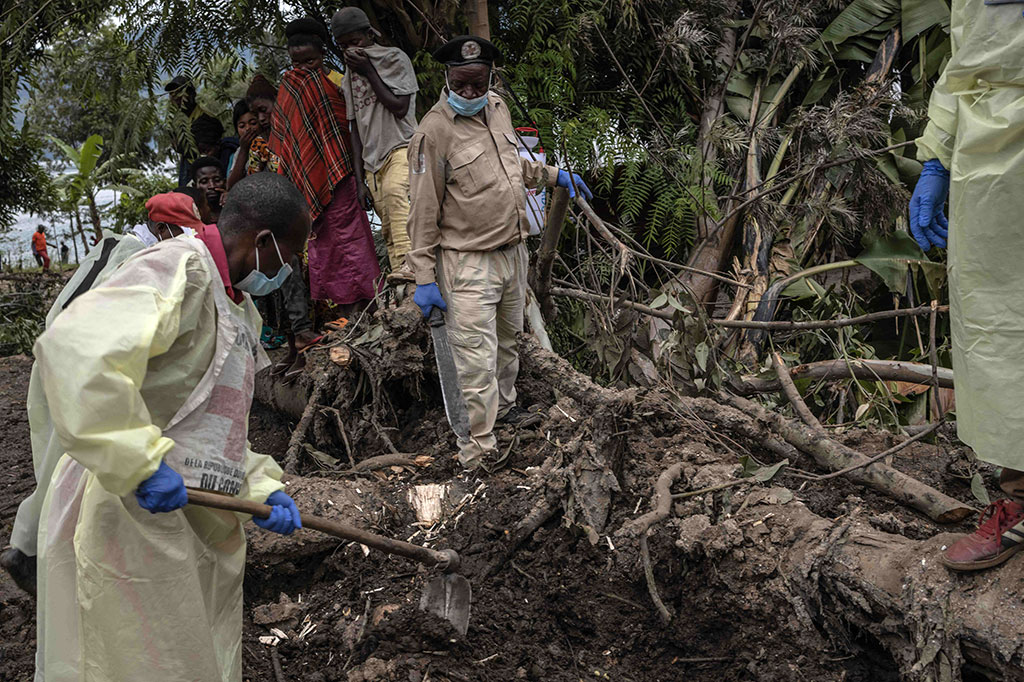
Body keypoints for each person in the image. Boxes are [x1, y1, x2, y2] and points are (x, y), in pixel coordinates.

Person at [29, 174, 310, 680]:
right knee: (130, 660)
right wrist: (139, 463)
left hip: (193, 516)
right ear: (264, 240)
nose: (287, 270)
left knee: (188, 657)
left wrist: (259, 485)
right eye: (289, 256)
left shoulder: (237, 308)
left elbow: (214, 423)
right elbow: (77, 350)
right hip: (128, 510)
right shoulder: (175, 269)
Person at [0, 192, 203, 596]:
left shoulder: (121, 246)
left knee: (60, 460)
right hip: (75, 363)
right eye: (181, 234)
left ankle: (35, 546)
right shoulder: (133, 253)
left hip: (68, 357)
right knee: (66, 462)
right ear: (162, 228)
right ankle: (33, 554)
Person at [406, 36, 592, 470]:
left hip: (513, 251)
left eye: (478, 82)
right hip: (468, 262)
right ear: (447, 77)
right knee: (475, 357)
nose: (469, 92)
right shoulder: (433, 132)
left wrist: (554, 175)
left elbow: (511, 166)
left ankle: (504, 412)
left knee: (508, 343)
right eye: (460, 83)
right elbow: (422, 211)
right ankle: (477, 451)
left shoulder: (497, 107)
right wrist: (424, 277)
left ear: (491, 77)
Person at [910, 1, 1024, 572]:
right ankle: (1019, 501)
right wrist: (936, 159)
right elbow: (965, 58)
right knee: (999, 328)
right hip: (987, 159)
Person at [270, 17, 381, 315]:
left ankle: (371, 306)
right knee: (325, 245)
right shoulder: (289, 87)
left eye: (310, 61)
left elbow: (354, 129)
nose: (303, 68)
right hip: (308, 183)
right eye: (297, 62)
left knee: (354, 240)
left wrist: (361, 178)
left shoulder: (339, 82)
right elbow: (285, 139)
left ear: (322, 54)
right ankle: (345, 314)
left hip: (342, 175)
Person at [332, 7, 417, 283]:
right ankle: (402, 280)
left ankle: (413, 268)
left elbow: (400, 107)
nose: (350, 50)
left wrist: (368, 71)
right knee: (390, 225)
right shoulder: (349, 75)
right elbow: (355, 128)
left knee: (397, 196)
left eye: (355, 42)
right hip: (372, 162)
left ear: (370, 34)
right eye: (343, 46)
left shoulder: (394, 59)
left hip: (401, 146)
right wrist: (360, 180)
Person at [227, 75, 280, 189]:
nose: (248, 129)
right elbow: (232, 186)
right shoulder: (253, 147)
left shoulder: (282, 137)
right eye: (242, 126)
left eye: (253, 122)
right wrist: (244, 150)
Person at [192, 156, 227, 223]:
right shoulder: (190, 214)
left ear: (225, 182)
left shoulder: (237, 207)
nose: (212, 186)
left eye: (217, 180)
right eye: (204, 182)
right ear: (195, 186)